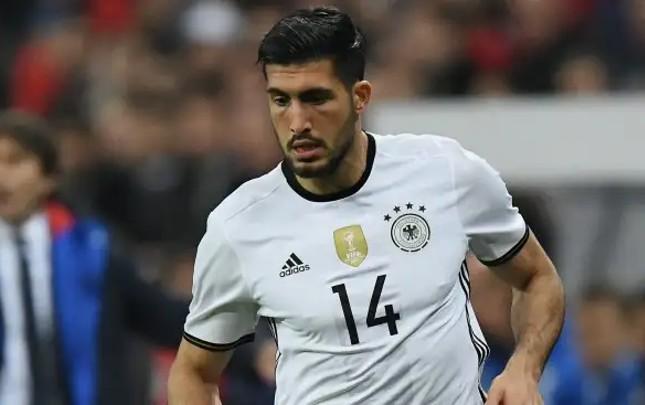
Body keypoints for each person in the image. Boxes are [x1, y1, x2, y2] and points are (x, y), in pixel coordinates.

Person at [168, 7, 565, 405]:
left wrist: (524, 369)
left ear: (360, 98)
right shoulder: (239, 225)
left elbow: (537, 278)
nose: (297, 122)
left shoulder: (444, 172)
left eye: (316, 99)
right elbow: (194, 373)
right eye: (281, 101)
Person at [0, 110, 188, 405]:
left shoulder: (91, 249)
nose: (2, 176)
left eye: (14, 161)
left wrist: (246, 344)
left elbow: (161, 317)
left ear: (49, 178)